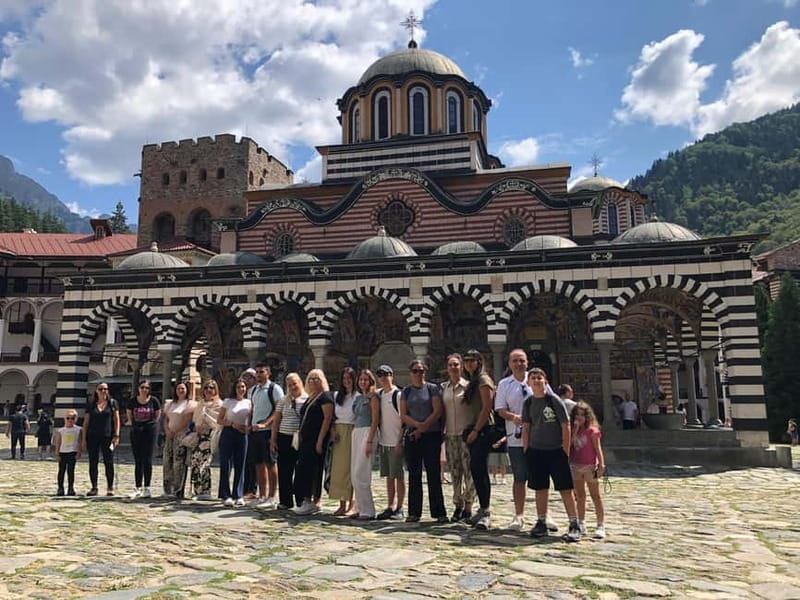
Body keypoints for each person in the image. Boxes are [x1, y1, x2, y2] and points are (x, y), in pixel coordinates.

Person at [522, 368, 582, 542]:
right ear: (529, 383)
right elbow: (526, 426)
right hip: (536, 450)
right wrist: (526, 448)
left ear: (545, 381)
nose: (536, 380)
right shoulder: (528, 403)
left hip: (556, 450)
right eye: (533, 378)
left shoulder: (553, 400)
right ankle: (541, 521)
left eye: (539, 377)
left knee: (565, 488)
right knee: (540, 487)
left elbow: (565, 425)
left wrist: (565, 449)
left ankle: (574, 523)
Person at [399, 358, 447, 524]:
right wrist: (417, 426)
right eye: (415, 371)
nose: (418, 374)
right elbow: (403, 414)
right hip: (413, 436)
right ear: (410, 373)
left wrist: (423, 427)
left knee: (433, 473)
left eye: (421, 371)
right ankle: (414, 512)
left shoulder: (432, 388)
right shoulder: (406, 391)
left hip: (430, 435)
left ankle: (439, 512)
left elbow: (437, 410)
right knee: (414, 474)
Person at [461, 349, 496, 530]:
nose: (468, 363)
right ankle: (482, 509)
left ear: (479, 361)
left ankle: (486, 511)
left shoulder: (483, 380)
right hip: (476, 430)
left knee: (480, 469)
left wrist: (476, 430)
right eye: (466, 360)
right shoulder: (474, 381)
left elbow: (487, 407)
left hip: (483, 430)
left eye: (472, 360)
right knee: (476, 469)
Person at [293, 369, 334, 515]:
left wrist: (320, 440)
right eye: (310, 379)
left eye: (316, 379)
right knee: (304, 469)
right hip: (306, 440)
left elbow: (327, 419)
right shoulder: (311, 397)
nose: (313, 381)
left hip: (316, 439)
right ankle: (306, 499)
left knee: (313, 470)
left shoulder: (325, 397)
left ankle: (312, 500)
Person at [440, 353, 475, 523]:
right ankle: (457, 504)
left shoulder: (468, 387)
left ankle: (469, 505)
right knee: (455, 472)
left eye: (456, 365)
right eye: (450, 365)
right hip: (450, 435)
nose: (453, 368)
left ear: (461, 367)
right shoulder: (443, 388)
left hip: (465, 435)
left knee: (468, 471)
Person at [270, 372, 307, 510]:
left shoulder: (306, 399)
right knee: (284, 470)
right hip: (284, 437)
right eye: (289, 385)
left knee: (300, 471)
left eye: (294, 384)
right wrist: (273, 440)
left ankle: (300, 499)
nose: (292, 387)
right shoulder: (283, 401)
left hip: (299, 438)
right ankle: (285, 501)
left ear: (300, 383)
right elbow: (276, 420)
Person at [570, 401, 606, 539]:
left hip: (590, 466)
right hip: (575, 465)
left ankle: (600, 524)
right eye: (577, 415)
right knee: (579, 496)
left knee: (595, 495)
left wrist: (601, 464)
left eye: (582, 415)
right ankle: (581, 522)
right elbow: (571, 444)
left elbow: (598, 448)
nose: (579, 417)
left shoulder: (593, 431)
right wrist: (574, 430)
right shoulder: (574, 430)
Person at [374, 364, 406, 521]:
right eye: (380, 375)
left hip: (395, 441)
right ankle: (390, 505)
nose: (383, 378)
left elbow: (403, 420)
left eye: (386, 374)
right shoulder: (379, 395)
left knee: (398, 475)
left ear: (392, 376)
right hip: (384, 441)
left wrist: (400, 441)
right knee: (388, 476)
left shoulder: (397, 395)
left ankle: (400, 507)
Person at [249, 363, 282, 508]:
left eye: (261, 372)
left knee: (270, 463)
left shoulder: (274, 389)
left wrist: (266, 423)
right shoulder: (254, 390)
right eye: (257, 372)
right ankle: (262, 495)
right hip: (255, 431)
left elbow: (278, 410)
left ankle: (272, 496)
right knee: (258, 464)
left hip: (268, 431)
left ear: (268, 373)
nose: (258, 374)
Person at [350, 369, 380, 520]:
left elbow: (375, 419)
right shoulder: (358, 398)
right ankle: (359, 507)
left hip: (368, 432)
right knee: (354, 473)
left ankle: (368, 510)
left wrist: (369, 440)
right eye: (361, 379)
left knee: (361, 473)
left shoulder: (373, 397)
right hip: (357, 432)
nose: (363, 382)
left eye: (366, 380)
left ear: (371, 381)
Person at [81, 382, 121, 496]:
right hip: (92, 436)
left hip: (107, 436)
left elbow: (116, 420)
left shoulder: (112, 403)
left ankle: (110, 487)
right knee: (93, 462)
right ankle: (94, 487)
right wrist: (83, 439)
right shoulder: (91, 404)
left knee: (109, 462)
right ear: (96, 390)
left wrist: (116, 435)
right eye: (101, 389)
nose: (103, 391)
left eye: (105, 389)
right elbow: (86, 422)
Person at [217, 378, 252, 507]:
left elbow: (250, 418)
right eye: (238, 387)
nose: (241, 389)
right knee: (226, 464)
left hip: (242, 435)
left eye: (243, 387)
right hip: (229, 432)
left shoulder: (248, 402)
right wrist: (232, 424)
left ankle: (238, 494)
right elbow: (219, 419)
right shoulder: (228, 402)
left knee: (240, 464)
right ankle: (225, 494)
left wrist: (247, 428)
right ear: (234, 388)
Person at [329, 367, 357, 516]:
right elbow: (332, 418)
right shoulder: (337, 396)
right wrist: (333, 432)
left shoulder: (357, 396)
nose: (346, 381)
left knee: (351, 469)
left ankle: (352, 503)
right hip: (339, 433)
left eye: (349, 378)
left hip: (352, 431)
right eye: (344, 378)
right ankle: (341, 503)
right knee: (339, 470)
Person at [126, 380, 161, 499]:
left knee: (147, 459)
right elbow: (130, 415)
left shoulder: (154, 401)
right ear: (138, 388)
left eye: (147, 387)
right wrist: (134, 425)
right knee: (138, 460)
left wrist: (152, 425)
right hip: (136, 431)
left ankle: (147, 487)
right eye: (142, 387)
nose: (144, 389)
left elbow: (157, 415)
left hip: (150, 431)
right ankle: (137, 487)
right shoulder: (132, 401)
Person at [190, 379, 223, 501]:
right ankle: (197, 490)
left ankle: (206, 490)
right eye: (206, 388)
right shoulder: (201, 403)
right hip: (198, 436)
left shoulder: (219, 404)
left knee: (204, 464)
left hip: (209, 436)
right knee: (195, 463)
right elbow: (195, 419)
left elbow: (216, 422)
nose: (208, 390)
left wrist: (206, 418)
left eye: (211, 388)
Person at [162, 382, 195, 499]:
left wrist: (176, 431)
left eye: (183, 388)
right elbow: (166, 419)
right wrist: (167, 431)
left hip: (181, 436)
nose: (180, 390)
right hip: (169, 436)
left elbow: (186, 420)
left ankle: (178, 489)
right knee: (167, 462)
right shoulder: (170, 404)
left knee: (179, 463)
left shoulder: (189, 404)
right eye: (178, 388)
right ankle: (167, 490)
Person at [54, 410, 81, 496]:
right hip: (63, 452)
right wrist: (57, 453)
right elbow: (58, 442)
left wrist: (79, 452)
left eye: (72, 418)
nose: (70, 420)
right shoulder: (61, 430)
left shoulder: (78, 429)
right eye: (68, 418)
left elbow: (80, 442)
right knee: (61, 471)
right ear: (65, 419)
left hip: (72, 452)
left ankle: (70, 488)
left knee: (71, 471)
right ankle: (60, 488)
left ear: (75, 419)